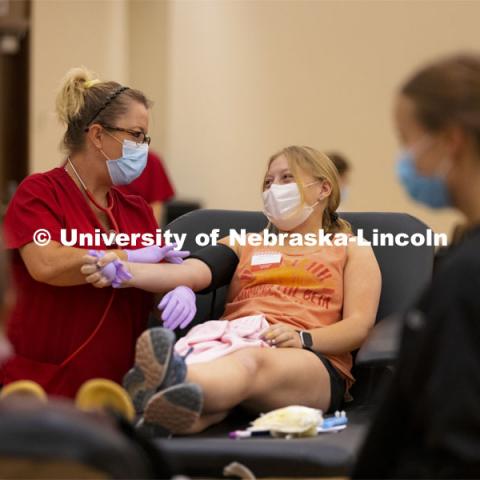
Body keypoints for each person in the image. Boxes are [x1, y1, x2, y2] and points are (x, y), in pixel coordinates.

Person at [82, 145, 381, 434]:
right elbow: (188, 272)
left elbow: (359, 326)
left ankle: (170, 377)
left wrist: (303, 338)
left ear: (323, 189)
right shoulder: (243, 242)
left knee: (251, 362)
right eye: (268, 181)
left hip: (310, 359)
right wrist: (124, 268)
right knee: (217, 392)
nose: (273, 188)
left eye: (286, 178)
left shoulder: (350, 248)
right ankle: (164, 418)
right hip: (233, 346)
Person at [1, 67, 186, 398]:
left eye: (145, 138)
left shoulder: (137, 210)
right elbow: (46, 263)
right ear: (98, 135)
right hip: (42, 389)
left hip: (114, 392)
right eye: (137, 135)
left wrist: (175, 289)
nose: (144, 148)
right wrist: (123, 256)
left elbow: (153, 280)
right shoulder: (39, 192)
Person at [352, 53, 480, 478]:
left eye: (407, 139)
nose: (404, 159)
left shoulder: (466, 278)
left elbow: (457, 443)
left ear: (451, 140)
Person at [116, 150, 175, 225]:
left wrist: (149, 233)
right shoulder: (104, 162)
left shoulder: (151, 160)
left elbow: (156, 205)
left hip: (137, 228)